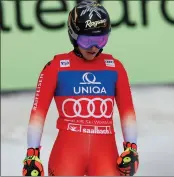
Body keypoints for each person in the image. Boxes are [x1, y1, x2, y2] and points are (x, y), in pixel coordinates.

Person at [22, 0, 139, 176]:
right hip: (67, 155)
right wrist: (32, 155)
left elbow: (128, 112)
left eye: (101, 39)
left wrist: (132, 148)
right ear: (73, 35)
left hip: (104, 155)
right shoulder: (56, 67)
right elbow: (38, 113)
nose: (94, 47)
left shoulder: (115, 67)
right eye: (87, 40)